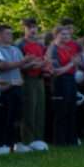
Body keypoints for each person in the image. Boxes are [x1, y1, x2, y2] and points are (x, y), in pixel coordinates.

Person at [0, 24, 23, 154]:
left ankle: (14, 144)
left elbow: (21, 65)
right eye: (8, 33)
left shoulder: (15, 49)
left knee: (16, 118)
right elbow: (1, 66)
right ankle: (4, 144)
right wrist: (23, 63)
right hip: (3, 88)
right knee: (4, 117)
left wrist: (34, 62)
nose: (11, 36)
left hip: (17, 87)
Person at [17, 24, 49, 153]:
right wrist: (32, 64)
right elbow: (19, 64)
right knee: (29, 109)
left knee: (39, 109)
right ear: (24, 29)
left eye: (35, 28)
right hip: (27, 79)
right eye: (29, 27)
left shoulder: (40, 45)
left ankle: (38, 139)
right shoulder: (20, 45)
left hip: (39, 78)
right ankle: (27, 140)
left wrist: (44, 64)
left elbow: (44, 60)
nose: (33, 30)